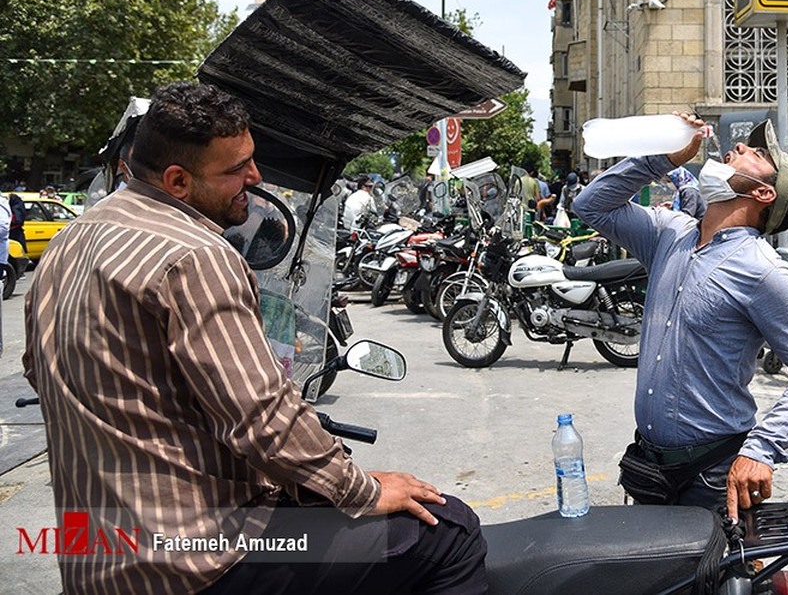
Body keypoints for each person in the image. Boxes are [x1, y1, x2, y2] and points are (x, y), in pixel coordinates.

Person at [23, 82, 486, 595]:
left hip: (94, 554)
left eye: (252, 159)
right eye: (235, 168)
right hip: (194, 558)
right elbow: (262, 418)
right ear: (178, 180)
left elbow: (40, 370)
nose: (255, 177)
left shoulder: (72, 239)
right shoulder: (196, 255)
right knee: (451, 531)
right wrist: (364, 490)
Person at [572, 114, 788, 522]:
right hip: (650, 464)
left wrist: (762, 450)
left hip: (713, 473)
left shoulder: (762, 270)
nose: (741, 148)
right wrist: (659, 158)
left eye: (758, 153)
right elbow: (590, 206)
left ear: (764, 192)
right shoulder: (670, 233)